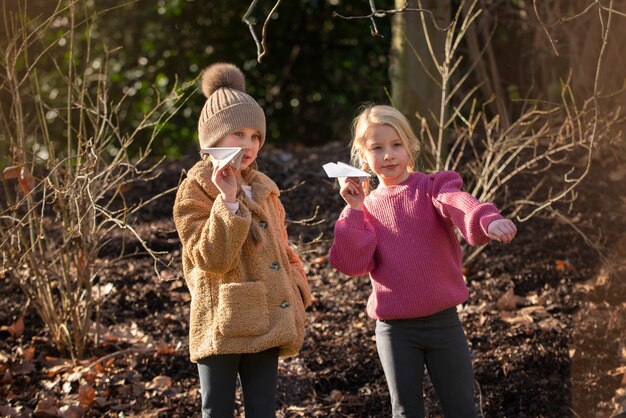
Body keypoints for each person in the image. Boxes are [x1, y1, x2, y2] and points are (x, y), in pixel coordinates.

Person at [329, 104, 517, 418]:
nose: (388, 155)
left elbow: (458, 203)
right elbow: (352, 263)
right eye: (377, 148)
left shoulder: (431, 188)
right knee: (405, 410)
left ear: (410, 147)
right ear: (363, 156)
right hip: (395, 331)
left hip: (444, 323)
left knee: (461, 409)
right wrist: (355, 210)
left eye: (396, 145)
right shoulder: (366, 208)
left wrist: (486, 219)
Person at [173, 62, 312, 418]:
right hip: (222, 318)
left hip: (267, 314)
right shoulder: (196, 188)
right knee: (216, 409)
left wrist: (297, 287)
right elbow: (210, 257)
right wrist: (229, 201)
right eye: (238, 134)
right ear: (213, 138)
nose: (248, 145)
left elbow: (282, 247)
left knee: (262, 409)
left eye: (255, 136)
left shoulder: (263, 186)